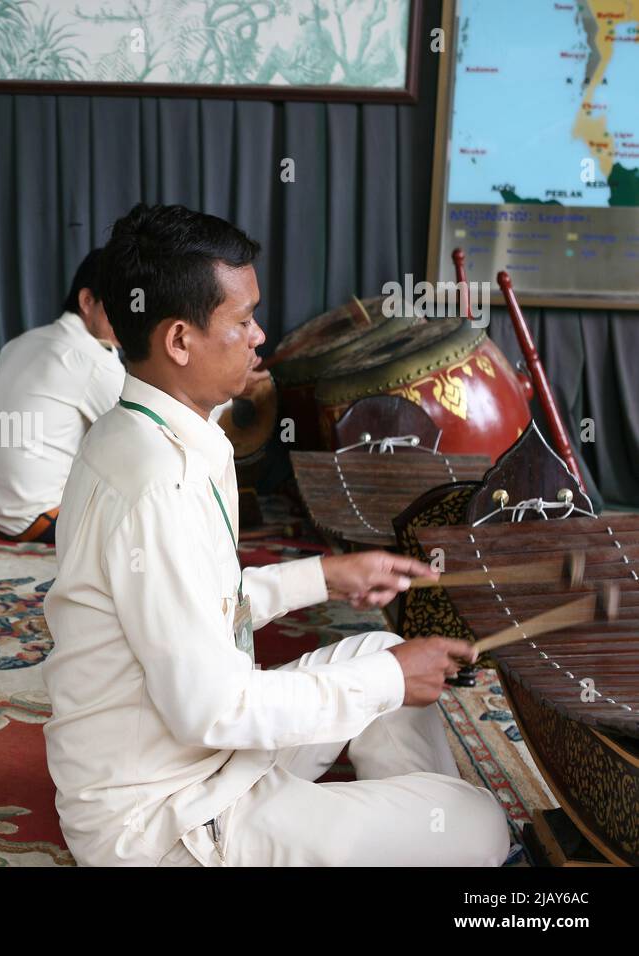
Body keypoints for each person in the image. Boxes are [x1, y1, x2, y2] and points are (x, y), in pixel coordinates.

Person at [41, 203, 509, 867]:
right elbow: (211, 709)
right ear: (179, 340)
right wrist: (389, 681)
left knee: (378, 647)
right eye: (242, 320)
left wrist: (323, 577)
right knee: (479, 821)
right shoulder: (156, 484)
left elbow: (201, 600)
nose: (259, 336)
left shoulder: (145, 430)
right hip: (167, 817)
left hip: (204, 758)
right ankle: (421, 832)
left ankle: (400, 827)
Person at [0, 249, 124, 544]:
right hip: (38, 518)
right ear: (87, 301)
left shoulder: (23, 341)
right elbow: (138, 438)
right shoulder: (92, 359)